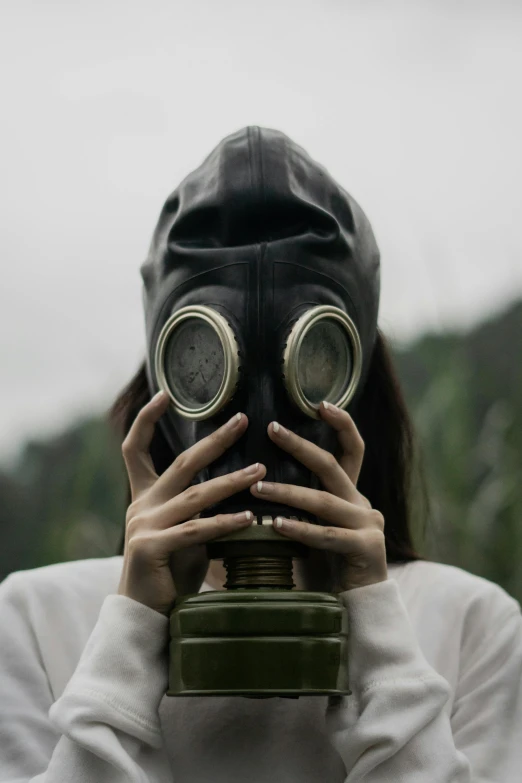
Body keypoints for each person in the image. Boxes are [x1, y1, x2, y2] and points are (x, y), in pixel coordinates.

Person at [1, 127, 521, 783]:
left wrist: (375, 626)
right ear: (160, 383)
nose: (259, 416)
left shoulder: (474, 628)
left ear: (357, 383)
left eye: (312, 360)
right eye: (206, 363)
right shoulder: (33, 621)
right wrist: (130, 628)